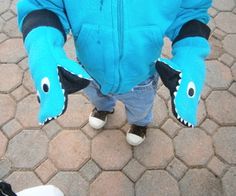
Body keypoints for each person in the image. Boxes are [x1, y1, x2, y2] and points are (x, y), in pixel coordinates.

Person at [17, 0, 211, 146]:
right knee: (98, 97)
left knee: (141, 107)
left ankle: (139, 123)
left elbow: (190, 11)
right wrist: (44, 49)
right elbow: (43, 5)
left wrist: (190, 52)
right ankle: (103, 108)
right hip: (89, 71)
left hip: (141, 74)